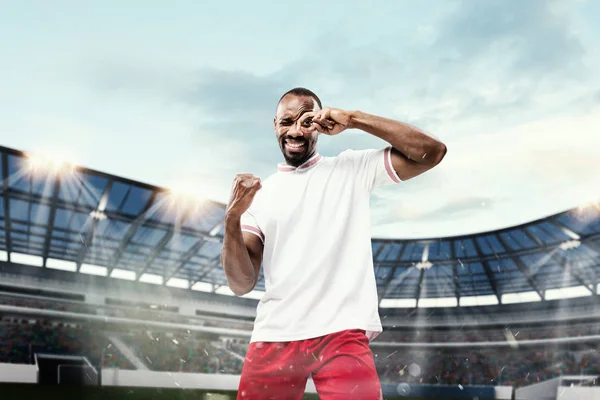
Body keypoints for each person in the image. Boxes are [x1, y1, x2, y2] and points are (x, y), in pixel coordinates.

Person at [221, 87, 447, 399]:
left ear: (322, 125)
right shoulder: (260, 195)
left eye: (307, 120)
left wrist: (354, 119)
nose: (296, 131)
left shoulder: (352, 168)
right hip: (275, 334)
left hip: (341, 331)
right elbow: (242, 283)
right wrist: (231, 221)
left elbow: (432, 152)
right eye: (287, 122)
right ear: (275, 125)